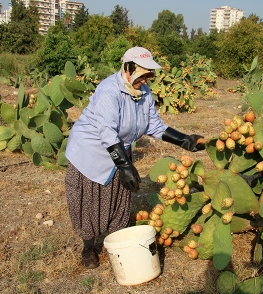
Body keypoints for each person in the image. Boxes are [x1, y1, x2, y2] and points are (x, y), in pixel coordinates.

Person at [65, 46, 205, 269]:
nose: (146, 79)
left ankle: (118, 240)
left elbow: (154, 125)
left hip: (119, 149)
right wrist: (124, 164)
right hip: (90, 151)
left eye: (150, 74)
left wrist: (184, 140)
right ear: (128, 69)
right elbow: (107, 131)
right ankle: (89, 246)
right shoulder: (109, 91)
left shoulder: (144, 93)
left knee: (119, 197)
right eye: (143, 73)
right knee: (89, 200)